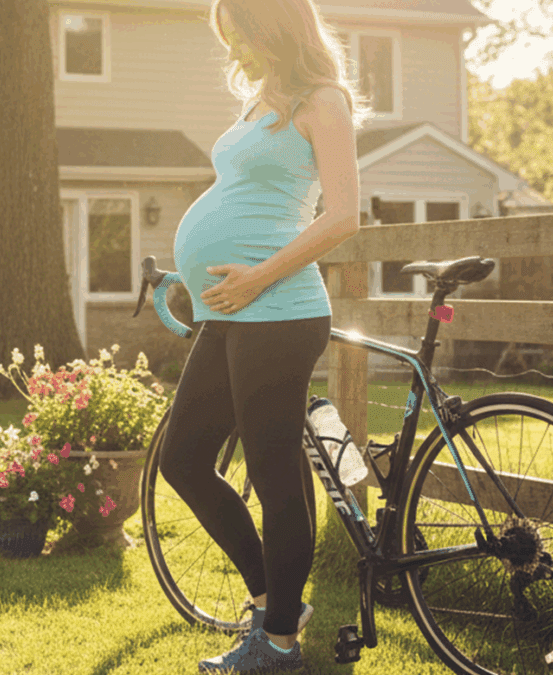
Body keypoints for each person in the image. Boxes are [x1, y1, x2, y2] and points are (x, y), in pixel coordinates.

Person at [159, 0, 374, 672]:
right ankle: (273, 599)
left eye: (242, 37)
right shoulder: (264, 102)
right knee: (183, 457)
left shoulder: (323, 100)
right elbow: (248, 198)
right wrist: (196, 269)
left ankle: (278, 640)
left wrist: (257, 276)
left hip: (279, 311)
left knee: (274, 470)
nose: (235, 53)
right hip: (231, 312)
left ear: (273, 28)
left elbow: (343, 215)